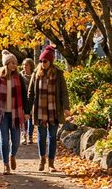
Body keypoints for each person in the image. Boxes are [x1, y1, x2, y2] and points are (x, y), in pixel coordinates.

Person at [0, 50, 30, 175]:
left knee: (16, 140)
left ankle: (12, 155)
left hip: (16, 114)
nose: (14, 65)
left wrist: (27, 112)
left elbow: (24, 96)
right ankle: (6, 164)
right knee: (4, 140)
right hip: (2, 114)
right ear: (6, 64)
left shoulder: (19, 78)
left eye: (15, 63)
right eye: (11, 63)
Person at [28, 45, 70, 173]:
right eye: (40, 61)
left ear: (50, 61)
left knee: (52, 137)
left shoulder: (58, 73)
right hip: (40, 110)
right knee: (42, 136)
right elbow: (31, 92)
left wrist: (66, 108)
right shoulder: (36, 73)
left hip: (54, 110)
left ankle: (51, 163)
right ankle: (42, 159)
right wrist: (27, 110)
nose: (42, 63)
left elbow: (64, 92)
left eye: (44, 61)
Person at [20, 58, 35, 145]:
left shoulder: (34, 75)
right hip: (22, 99)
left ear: (31, 66)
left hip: (31, 100)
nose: (25, 67)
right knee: (23, 118)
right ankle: (23, 135)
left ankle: (30, 136)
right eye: (23, 65)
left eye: (27, 65)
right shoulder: (20, 76)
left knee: (31, 118)